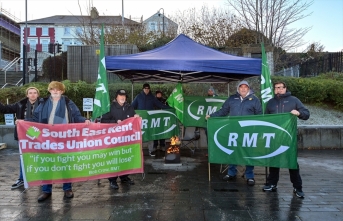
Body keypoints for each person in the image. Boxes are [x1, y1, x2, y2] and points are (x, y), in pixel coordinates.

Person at [27, 81, 90, 202]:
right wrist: (23, 122)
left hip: (64, 137)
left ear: (62, 91)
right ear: (49, 90)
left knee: (65, 164)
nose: (55, 91)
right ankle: (46, 191)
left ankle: (67, 188)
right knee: (46, 164)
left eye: (58, 89)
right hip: (47, 138)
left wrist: (84, 120)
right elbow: (35, 118)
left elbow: (76, 115)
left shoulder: (67, 102)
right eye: (53, 89)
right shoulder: (43, 102)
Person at [206, 80, 262, 186]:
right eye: (241, 87)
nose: (243, 89)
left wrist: (257, 131)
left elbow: (259, 116)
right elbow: (223, 111)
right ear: (238, 88)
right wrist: (212, 116)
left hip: (248, 133)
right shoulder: (232, 98)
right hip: (233, 131)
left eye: (246, 87)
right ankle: (231, 173)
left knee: (249, 153)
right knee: (232, 152)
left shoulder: (255, 100)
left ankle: (250, 176)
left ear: (248, 89)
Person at [263, 81, 310, 198]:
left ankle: (297, 187)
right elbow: (265, 120)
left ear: (285, 88)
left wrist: (298, 113)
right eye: (276, 88)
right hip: (275, 137)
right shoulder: (270, 103)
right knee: (274, 161)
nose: (278, 90)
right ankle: (272, 184)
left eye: (280, 88)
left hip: (289, 138)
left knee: (292, 163)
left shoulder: (294, 100)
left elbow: (306, 113)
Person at [0, 87, 40, 189]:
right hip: (23, 135)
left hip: (39, 135)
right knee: (23, 157)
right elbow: (4, 109)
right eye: (30, 93)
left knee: (40, 157)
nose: (32, 95)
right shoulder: (20, 104)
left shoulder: (43, 105)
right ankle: (22, 179)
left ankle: (41, 178)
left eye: (35, 93)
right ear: (27, 95)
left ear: (38, 95)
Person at [101, 89, 139, 189]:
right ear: (116, 97)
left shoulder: (129, 107)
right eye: (120, 96)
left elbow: (133, 119)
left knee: (125, 158)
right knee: (114, 159)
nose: (122, 97)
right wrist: (114, 121)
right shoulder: (110, 107)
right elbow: (103, 120)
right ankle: (112, 180)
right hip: (114, 139)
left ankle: (124, 177)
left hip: (126, 139)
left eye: (124, 96)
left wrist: (136, 117)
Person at [131, 83, 169, 156]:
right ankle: (139, 151)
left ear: (149, 89)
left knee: (150, 135)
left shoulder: (152, 97)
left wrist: (170, 109)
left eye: (148, 88)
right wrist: (132, 114)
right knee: (140, 135)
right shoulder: (138, 97)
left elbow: (159, 105)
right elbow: (132, 106)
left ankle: (151, 151)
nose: (146, 90)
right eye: (145, 88)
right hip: (140, 120)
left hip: (150, 120)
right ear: (143, 89)